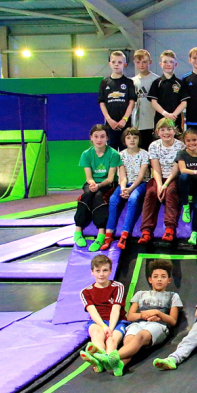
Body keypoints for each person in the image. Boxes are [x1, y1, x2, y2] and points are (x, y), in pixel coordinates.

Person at [95, 259, 183, 377]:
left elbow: (173, 321)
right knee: (129, 341)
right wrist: (143, 315)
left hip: (158, 325)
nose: (159, 279)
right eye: (156, 277)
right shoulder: (140, 294)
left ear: (169, 280)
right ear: (150, 280)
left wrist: (157, 313)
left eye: (163, 277)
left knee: (141, 336)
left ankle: (109, 358)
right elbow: (130, 316)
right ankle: (120, 365)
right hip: (138, 323)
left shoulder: (173, 296)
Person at [74, 124, 122, 252]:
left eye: (102, 136)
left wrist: (99, 185)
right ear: (91, 138)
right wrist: (92, 184)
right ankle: (78, 230)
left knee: (99, 197)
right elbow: (88, 177)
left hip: (107, 184)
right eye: (96, 136)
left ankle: (101, 233)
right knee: (86, 195)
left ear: (107, 138)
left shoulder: (113, 154)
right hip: (93, 182)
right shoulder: (86, 154)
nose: (99, 139)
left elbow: (110, 178)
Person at [78, 255, 128, 373]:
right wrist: (104, 326)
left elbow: (115, 310)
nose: (101, 274)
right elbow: (93, 312)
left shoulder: (118, 287)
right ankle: (99, 359)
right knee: (96, 334)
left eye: (105, 270)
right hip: (97, 322)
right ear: (92, 272)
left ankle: (107, 360)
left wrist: (110, 328)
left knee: (111, 340)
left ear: (110, 271)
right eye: (98, 271)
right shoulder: (85, 292)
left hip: (117, 321)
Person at [139, 118, 185, 245]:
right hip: (158, 177)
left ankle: (169, 229)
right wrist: (159, 185)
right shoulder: (154, 146)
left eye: (169, 129)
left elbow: (176, 168)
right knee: (151, 192)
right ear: (158, 132)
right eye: (163, 130)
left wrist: (165, 185)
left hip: (173, 177)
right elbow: (156, 168)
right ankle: (146, 231)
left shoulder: (180, 146)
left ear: (174, 131)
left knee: (170, 192)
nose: (166, 132)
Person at [102, 127, 149, 250]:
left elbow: (141, 175)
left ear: (139, 140)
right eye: (128, 138)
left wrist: (130, 189)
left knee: (133, 199)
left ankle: (125, 233)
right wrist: (123, 188)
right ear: (124, 141)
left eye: (135, 138)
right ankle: (109, 234)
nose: (132, 140)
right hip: (125, 184)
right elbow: (122, 175)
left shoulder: (144, 154)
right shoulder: (121, 155)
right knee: (113, 200)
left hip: (140, 183)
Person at [98, 51, 136, 150]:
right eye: (114, 62)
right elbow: (102, 103)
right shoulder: (104, 83)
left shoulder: (129, 82)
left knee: (126, 151)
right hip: (110, 125)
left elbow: (132, 102)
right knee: (111, 152)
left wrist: (124, 119)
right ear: (109, 64)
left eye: (119, 62)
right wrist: (109, 120)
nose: (116, 64)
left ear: (125, 64)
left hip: (125, 125)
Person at [176, 128, 197, 245]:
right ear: (184, 142)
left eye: (194, 140)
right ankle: (185, 206)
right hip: (187, 185)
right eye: (188, 141)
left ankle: (194, 233)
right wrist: (196, 172)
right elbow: (182, 169)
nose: (191, 143)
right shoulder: (182, 153)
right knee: (183, 176)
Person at [148, 50, 188, 134]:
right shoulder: (157, 83)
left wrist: (173, 115)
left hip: (175, 120)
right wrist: (165, 114)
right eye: (165, 62)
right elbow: (154, 102)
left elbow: (184, 102)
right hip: (160, 120)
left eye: (171, 62)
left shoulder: (180, 83)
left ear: (175, 64)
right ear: (160, 64)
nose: (168, 64)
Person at [131, 49, 159, 150]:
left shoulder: (156, 80)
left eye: (144, 62)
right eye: (138, 62)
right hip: (138, 124)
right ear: (134, 63)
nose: (141, 65)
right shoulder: (132, 81)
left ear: (150, 62)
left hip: (153, 123)